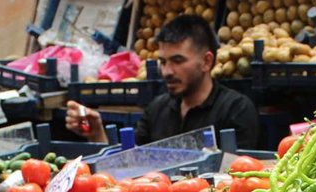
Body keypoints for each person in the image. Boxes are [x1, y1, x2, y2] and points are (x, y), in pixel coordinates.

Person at [65, 15, 260, 149]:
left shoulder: (236, 109)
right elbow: (129, 163)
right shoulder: (157, 109)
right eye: (163, 62)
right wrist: (96, 133)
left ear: (206, 61)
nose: (167, 71)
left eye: (177, 61)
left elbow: (238, 179)